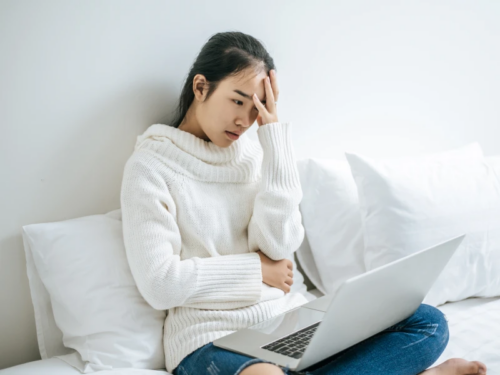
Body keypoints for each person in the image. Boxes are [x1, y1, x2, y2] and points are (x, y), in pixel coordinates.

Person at [120, 31, 487, 375]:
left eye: (258, 107)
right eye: (238, 100)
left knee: (426, 322)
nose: (245, 119)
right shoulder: (151, 167)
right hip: (209, 338)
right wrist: (257, 271)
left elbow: (279, 246)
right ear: (201, 87)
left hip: (284, 322)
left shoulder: (255, 154)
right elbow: (160, 283)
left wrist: (274, 138)